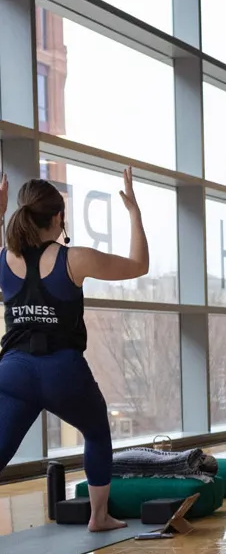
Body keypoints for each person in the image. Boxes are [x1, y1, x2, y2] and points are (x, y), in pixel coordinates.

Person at [0, 171, 151, 533]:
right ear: (57, 218)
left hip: (13, 371)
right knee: (97, 432)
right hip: (61, 371)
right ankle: (98, 518)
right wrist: (134, 213)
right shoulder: (74, 258)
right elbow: (139, 265)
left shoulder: (4, 259)